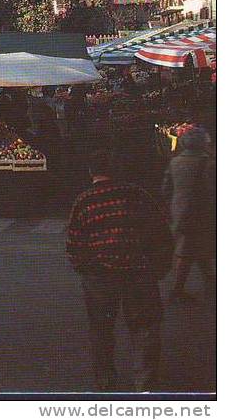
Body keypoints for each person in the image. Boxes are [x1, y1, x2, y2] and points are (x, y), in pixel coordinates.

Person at [66, 148, 172, 392]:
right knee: (144, 328)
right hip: (138, 272)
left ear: (91, 172)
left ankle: (105, 382)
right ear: (117, 170)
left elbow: (74, 244)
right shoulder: (136, 195)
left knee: (102, 330)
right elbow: (161, 231)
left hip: (100, 276)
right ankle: (144, 385)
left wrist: (86, 268)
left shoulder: (83, 201)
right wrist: (158, 268)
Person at [163, 126, 216, 302]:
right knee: (190, 252)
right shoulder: (209, 163)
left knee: (195, 250)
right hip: (201, 215)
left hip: (180, 213)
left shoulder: (175, 162)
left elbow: (166, 189)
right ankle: (177, 291)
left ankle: (212, 285)